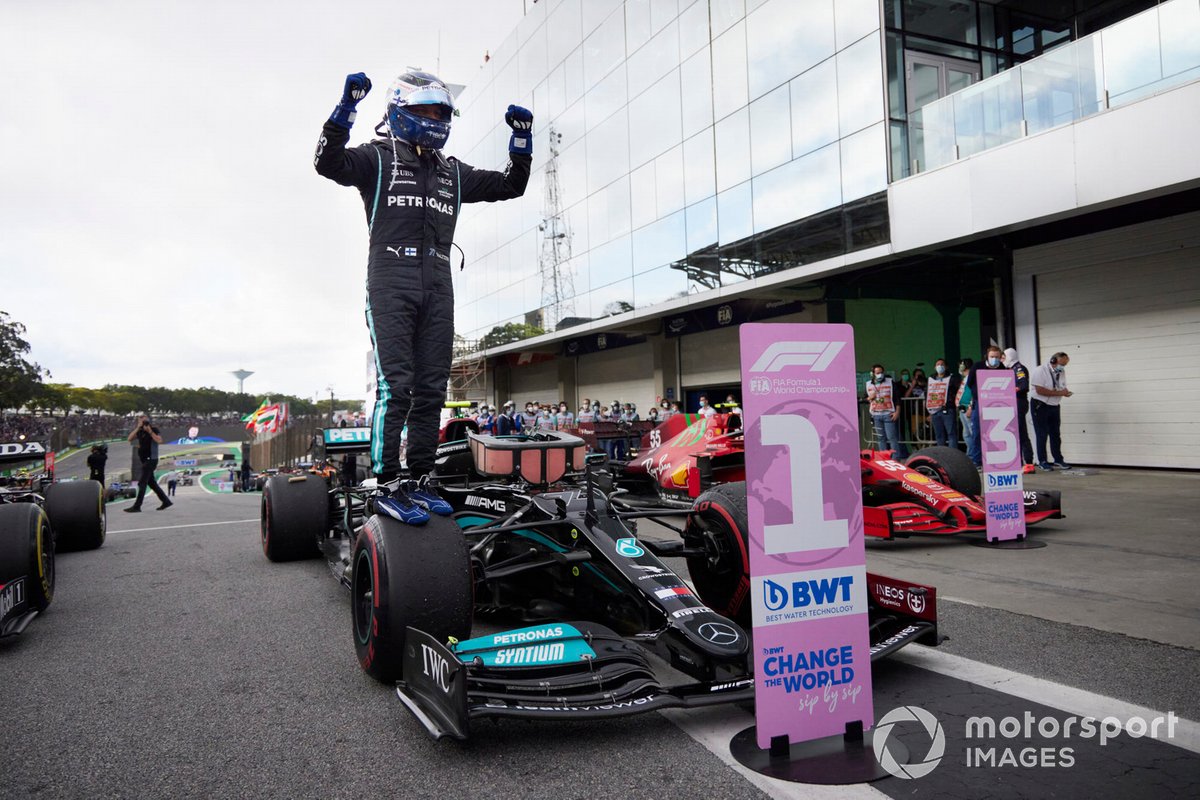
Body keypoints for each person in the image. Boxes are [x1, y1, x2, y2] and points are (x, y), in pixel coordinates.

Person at [315, 70, 531, 524]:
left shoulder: (453, 171)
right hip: (390, 279)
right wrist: (345, 109)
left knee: (433, 389)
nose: (434, 118)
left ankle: (419, 478)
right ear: (400, 112)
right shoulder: (378, 157)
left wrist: (522, 141)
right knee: (398, 387)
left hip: (438, 280)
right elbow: (327, 163)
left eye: (441, 112)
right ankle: (386, 481)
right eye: (425, 110)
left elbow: (510, 185)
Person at [965, 346, 1009, 468]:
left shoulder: (1001, 368)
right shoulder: (977, 366)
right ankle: (976, 460)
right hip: (980, 402)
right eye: (992, 357)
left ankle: (994, 458)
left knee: (995, 432)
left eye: (997, 357)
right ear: (987, 356)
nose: (994, 359)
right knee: (977, 432)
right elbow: (970, 384)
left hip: (996, 403)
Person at [1031, 352, 1074, 470]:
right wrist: (1060, 393)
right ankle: (1042, 461)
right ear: (1053, 361)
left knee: (1055, 434)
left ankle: (1058, 459)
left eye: (1065, 365)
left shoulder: (1061, 372)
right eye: (1062, 364)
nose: (1063, 367)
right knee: (1042, 434)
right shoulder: (1040, 370)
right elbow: (1039, 390)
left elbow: (1061, 387)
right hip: (1040, 405)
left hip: (1054, 405)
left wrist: (1065, 392)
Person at [125, 414, 171, 512]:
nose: (143, 423)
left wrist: (150, 431)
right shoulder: (139, 431)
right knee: (152, 483)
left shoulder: (154, 429)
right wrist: (138, 428)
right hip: (144, 460)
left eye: (145, 421)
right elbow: (129, 439)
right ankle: (166, 501)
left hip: (151, 459)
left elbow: (159, 440)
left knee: (142, 482)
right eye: (141, 421)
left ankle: (137, 506)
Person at [1004, 347, 1036, 474]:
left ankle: (1028, 462)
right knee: (1013, 434)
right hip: (1012, 404)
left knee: (1021, 433)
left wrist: (1007, 391)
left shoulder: (1018, 368)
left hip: (1018, 403)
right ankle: (1018, 463)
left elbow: (1023, 385)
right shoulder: (1010, 369)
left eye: (1003, 357)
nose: (1001, 360)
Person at [865, 365, 907, 458]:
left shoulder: (890, 382)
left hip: (888, 414)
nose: (880, 375)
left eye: (881, 372)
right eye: (877, 373)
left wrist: (897, 412)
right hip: (876, 415)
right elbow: (865, 399)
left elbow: (897, 397)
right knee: (881, 438)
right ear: (873, 374)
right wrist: (869, 398)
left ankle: (896, 458)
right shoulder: (868, 384)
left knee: (892, 438)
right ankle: (884, 458)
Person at [925, 359, 957, 447]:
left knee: (951, 434)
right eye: (938, 364)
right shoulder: (930, 380)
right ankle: (941, 456)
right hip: (934, 411)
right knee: (939, 435)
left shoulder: (952, 379)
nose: (940, 366)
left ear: (946, 367)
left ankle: (952, 456)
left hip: (947, 409)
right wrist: (928, 411)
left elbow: (956, 392)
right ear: (935, 367)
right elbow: (927, 395)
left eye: (942, 364)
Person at [904, 368, 928, 443]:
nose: (919, 377)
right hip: (915, 412)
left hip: (927, 412)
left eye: (921, 375)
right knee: (916, 432)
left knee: (927, 432)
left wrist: (924, 383)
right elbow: (906, 396)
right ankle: (916, 448)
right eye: (917, 376)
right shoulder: (911, 384)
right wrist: (913, 385)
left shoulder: (928, 382)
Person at [956, 358, 974, 451]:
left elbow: (974, 394)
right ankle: (971, 454)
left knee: (972, 433)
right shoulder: (966, 378)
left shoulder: (972, 378)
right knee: (966, 434)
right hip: (963, 409)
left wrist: (970, 407)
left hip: (968, 409)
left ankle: (975, 456)